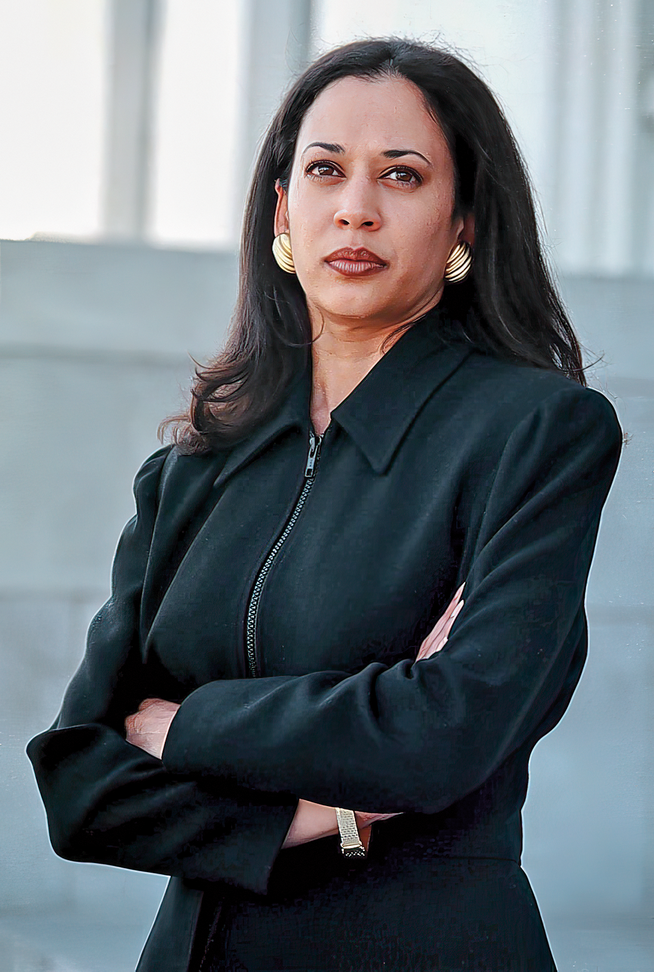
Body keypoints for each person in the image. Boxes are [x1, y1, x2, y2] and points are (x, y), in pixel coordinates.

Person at [28, 37, 622, 972]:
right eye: (324, 169)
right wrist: (331, 807)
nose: (355, 208)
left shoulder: (536, 432)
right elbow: (81, 787)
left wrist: (187, 727)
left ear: (462, 220)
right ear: (282, 208)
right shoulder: (197, 465)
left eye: (402, 175)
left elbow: (445, 732)